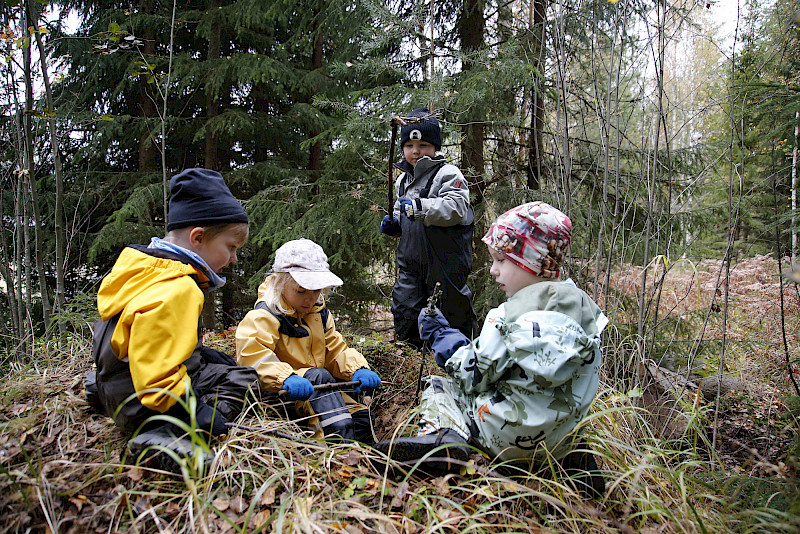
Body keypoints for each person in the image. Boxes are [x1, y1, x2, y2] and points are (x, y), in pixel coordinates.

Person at [375, 201, 608, 497]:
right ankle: (577, 462)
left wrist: (443, 336)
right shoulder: (589, 315)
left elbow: (472, 375)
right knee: (567, 405)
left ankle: (443, 439)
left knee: (440, 387)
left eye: (501, 260)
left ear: (529, 261)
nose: (494, 271)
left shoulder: (507, 318)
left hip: (504, 437)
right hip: (558, 440)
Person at [88, 168, 261, 471]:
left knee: (216, 360)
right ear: (197, 238)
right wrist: (199, 415)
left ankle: (103, 394)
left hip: (114, 384)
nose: (233, 259)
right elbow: (158, 381)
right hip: (145, 403)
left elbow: (143, 338)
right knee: (244, 379)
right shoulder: (179, 287)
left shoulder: (145, 268)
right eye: (230, 248)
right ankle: (167, 435)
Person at [235, 239, 381, 444]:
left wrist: (357, 369)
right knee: (337, 422)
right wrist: (284, 378)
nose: (309, 299)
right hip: (282, 396)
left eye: (316, 291)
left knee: (362, 420)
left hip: (320, 391)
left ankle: (370, 461)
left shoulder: (318, 314)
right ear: (280, 283)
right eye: (301, 291)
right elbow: (253, 356)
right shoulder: (265, 316)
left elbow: (335, 351)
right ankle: (336, 455)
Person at [380, 107, 477, 349]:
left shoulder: (447, 174)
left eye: (423, 145)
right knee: (405, 309)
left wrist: (418, 208)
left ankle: (459, 361)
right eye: (410, 146)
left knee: (451, 315)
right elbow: (403, 211)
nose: (415, 152)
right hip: (411, 264)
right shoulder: (403, 180)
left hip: (445, 263)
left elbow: (455, 207)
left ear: (435, 147)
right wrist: (395, 223)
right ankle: (409, 362)